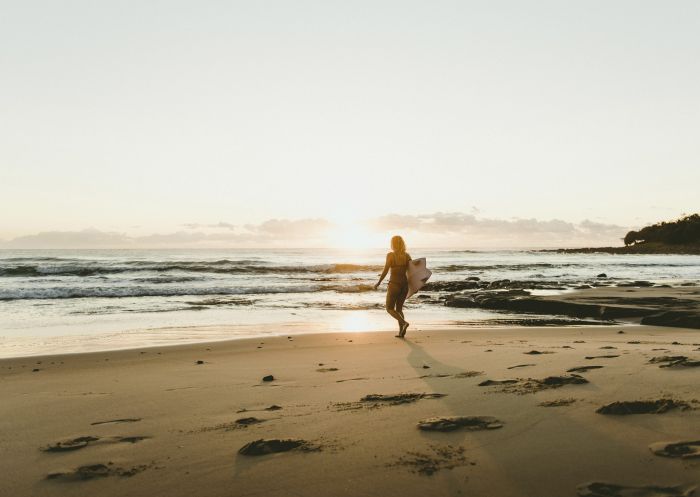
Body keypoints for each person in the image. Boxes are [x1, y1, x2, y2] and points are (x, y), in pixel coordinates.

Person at [374, 235, 411, 338]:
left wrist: (379, 282)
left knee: (389, 308)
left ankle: (404, 323)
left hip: (394, 284)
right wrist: (415, 286)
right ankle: (401, 332)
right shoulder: (407, 256)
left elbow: (385, 270)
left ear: (392, 244)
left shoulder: (390, 255)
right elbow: (413, 272)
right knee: (399, 309)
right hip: (404, 285)